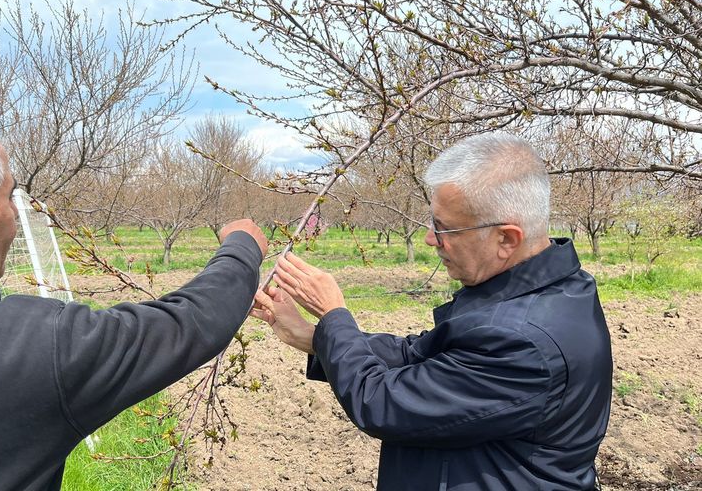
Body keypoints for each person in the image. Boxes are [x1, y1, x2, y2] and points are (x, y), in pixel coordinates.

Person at [0, 96, 267, 490]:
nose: (13, 215)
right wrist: (241, 247)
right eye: (9, 197)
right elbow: (188, 325)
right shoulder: (32, 347)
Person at [253, 132, 612, 490]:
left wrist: (334, 315)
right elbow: (418, 356)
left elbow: (381, 401)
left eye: (444, 228)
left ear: (506, 238)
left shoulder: (523, 341)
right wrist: (313, 338)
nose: (429, 239)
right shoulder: (546, 289)